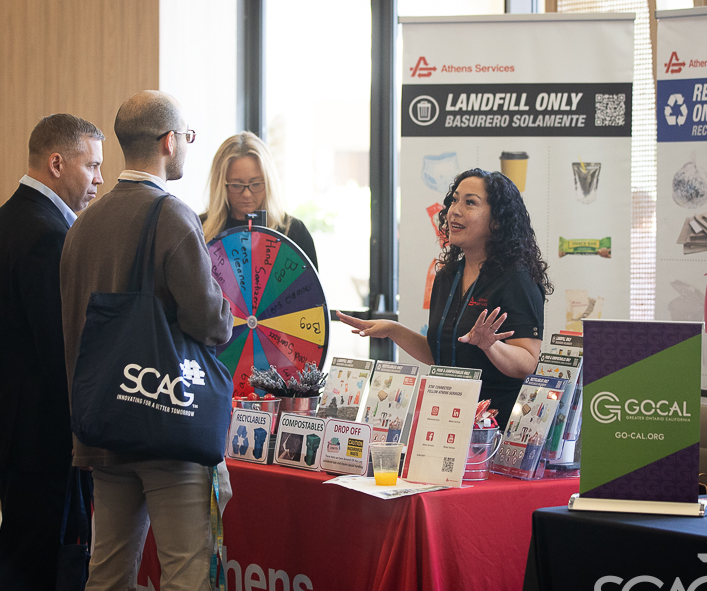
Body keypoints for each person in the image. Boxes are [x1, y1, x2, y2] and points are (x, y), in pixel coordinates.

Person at [60, 90, 232, 591]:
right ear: (168, 141)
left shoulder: (83, 222)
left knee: (106, 580)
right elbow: (208, 320)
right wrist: (229, 314)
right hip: (167, 424)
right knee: (184, 585)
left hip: (105, 427)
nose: (186, 147)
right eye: (187, 137)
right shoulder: (171, 215)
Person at [0, 114, 104, 591]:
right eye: (91, 164)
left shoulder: (8, 218)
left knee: (19, 561)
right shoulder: (47, 234)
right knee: (36, 571)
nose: (98, 178)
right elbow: (60, 348)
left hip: (15, 428)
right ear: (57, 163)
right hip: (41, 434)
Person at [339, 168, 551, 423]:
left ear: (497, 220)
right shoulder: (447, 276)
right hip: (447, 418)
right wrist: (393, 330)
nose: (454, 210)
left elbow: (527, 363)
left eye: (470, 202)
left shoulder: (516, 279)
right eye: (454, 199)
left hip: (495, 428)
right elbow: (442, 354)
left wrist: (490, 345)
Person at [201, 131, 318, 269]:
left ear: (269, 183)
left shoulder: (294, 233)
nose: (246, 194)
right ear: (220, 185)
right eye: (236, 185)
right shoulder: (199, 231)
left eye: (255, 184)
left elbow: (310, 288)